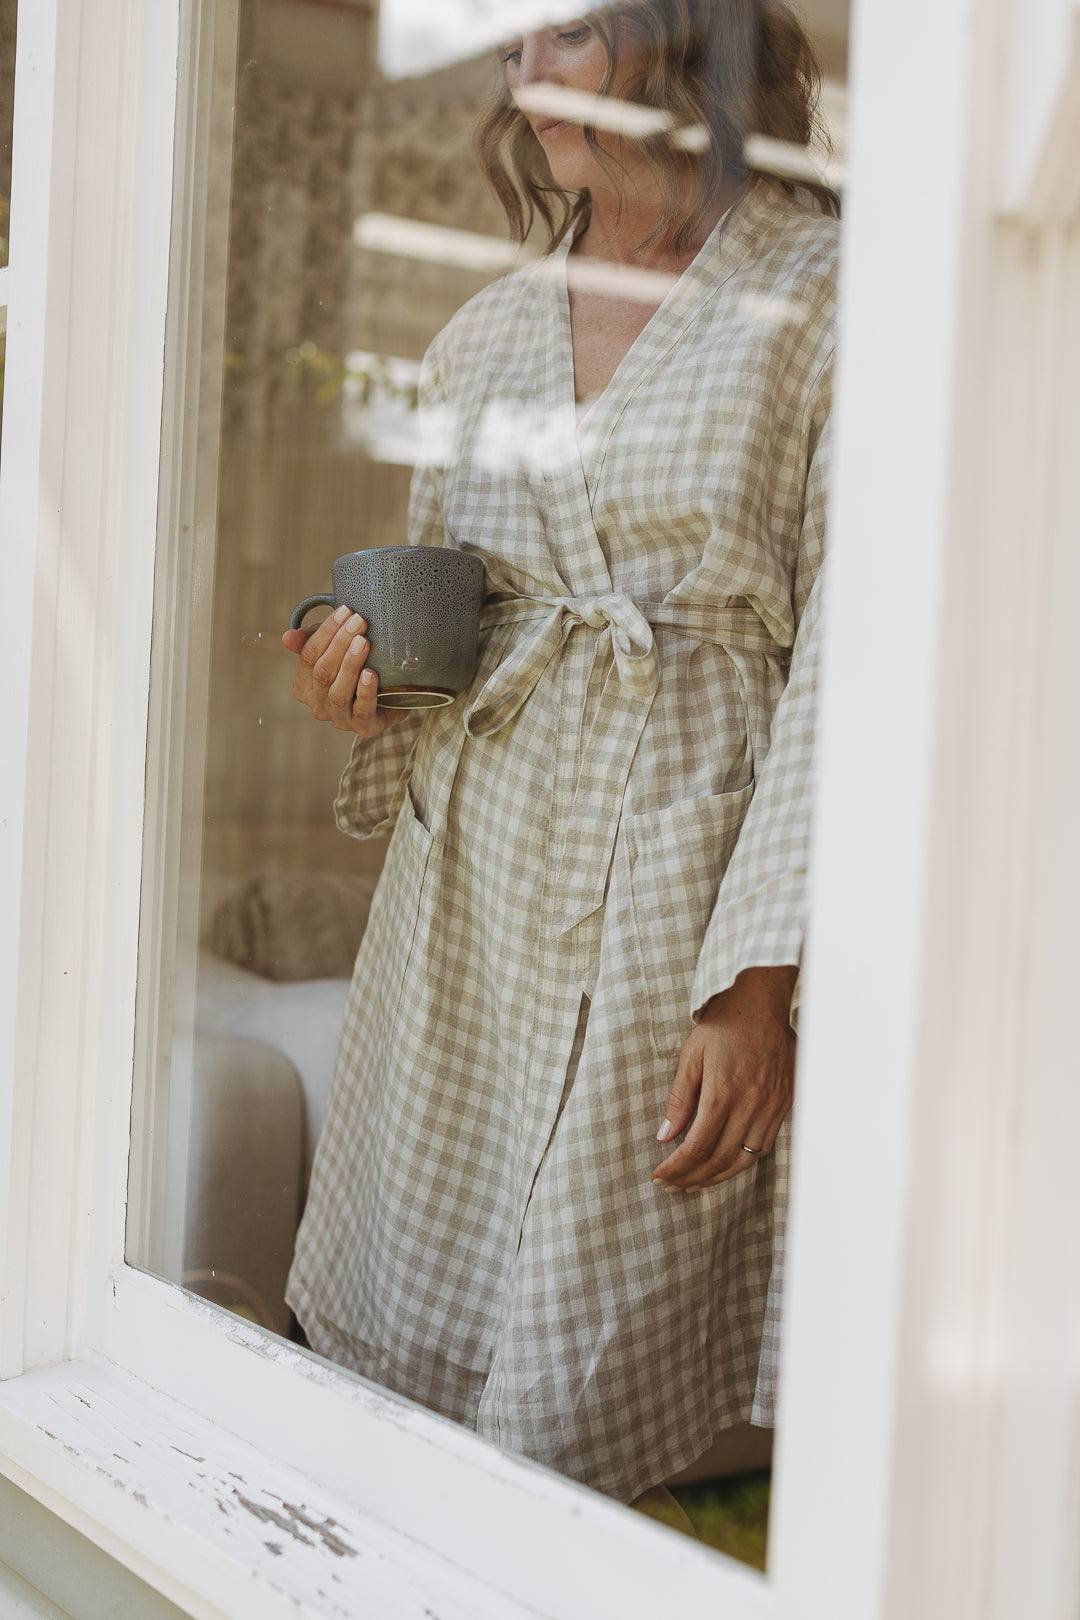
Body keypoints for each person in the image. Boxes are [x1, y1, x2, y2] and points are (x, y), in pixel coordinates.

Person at [283, 0, 838, 1509]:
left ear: (685, 47)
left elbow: (851, 658)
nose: (527, 87)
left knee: (580, 1356)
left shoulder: (834, 297)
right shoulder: (487, 328)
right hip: (471, 872)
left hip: (680, 868)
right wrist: (362, 685)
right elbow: (438, 628)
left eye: (567, 41)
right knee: (408, 1310)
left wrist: (756, 981)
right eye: (514, 51)